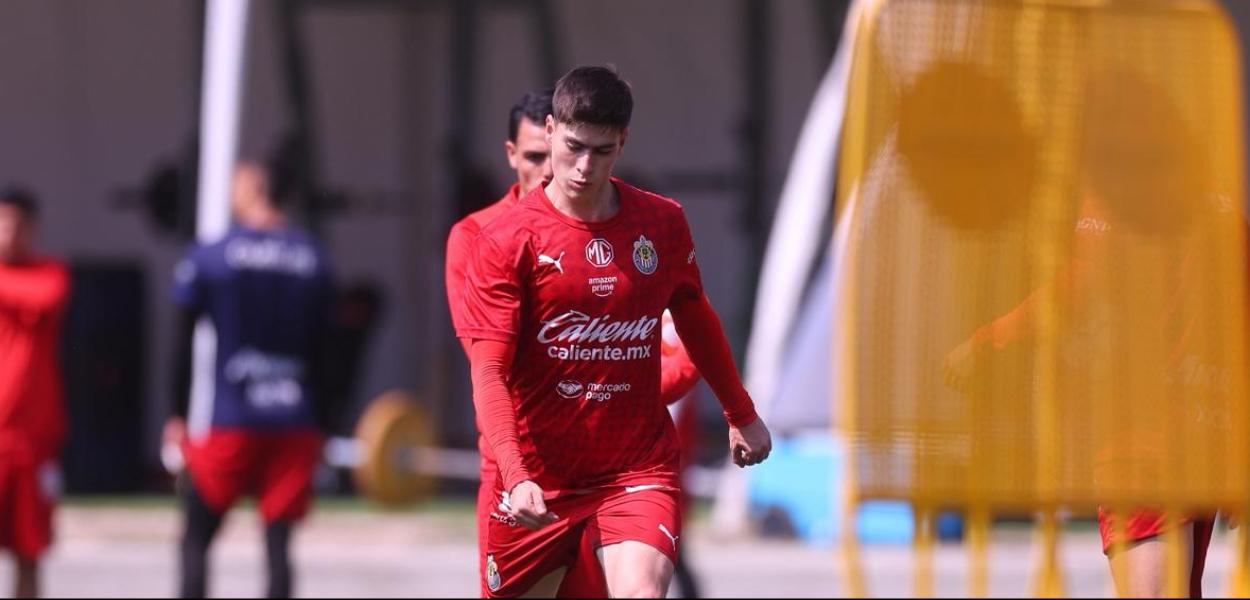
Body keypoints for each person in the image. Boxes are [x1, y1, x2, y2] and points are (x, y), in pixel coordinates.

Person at [460, 65, 772, 598]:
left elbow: (695, 316)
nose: (584, 167)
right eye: (574, 147)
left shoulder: (661, 222)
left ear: (623, 141)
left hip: (634, 466)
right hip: (538, 476)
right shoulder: (506, 240)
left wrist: (740, 413)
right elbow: (488, 371)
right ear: (551, 130)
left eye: (602, 151)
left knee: (641, 592)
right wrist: (515, 473)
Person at [165, 160, 335, 598]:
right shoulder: (313, 257)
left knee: (196, 535)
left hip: (233, 417)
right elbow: (327, 350)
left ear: (256, 188)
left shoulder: (214, 255)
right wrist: (324, 423)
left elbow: (183, 341)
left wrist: (176, 412)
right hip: (294, 418)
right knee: (278, 542)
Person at [0, 186, 69, 598]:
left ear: (32, 229)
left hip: (33, 441)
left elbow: (46, 299)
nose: (7, 233)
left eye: (15, 225)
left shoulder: (49, 274)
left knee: (30, 550)